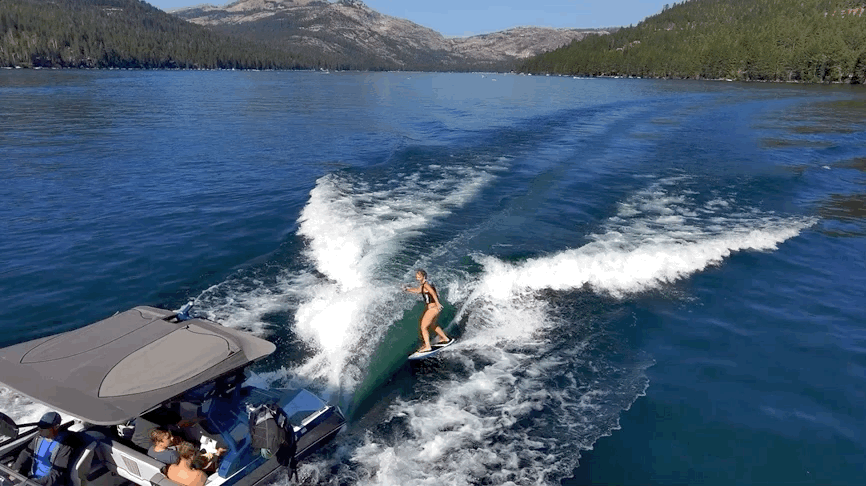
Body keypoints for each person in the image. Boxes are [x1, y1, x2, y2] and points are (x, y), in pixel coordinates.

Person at [12, 412, 72, 486]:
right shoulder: (39, 437)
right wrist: (15, 470)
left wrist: (33, 483)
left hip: (46, 483)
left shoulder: (65, 446)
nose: (40, 431)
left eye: (44, 429)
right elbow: (26, 453)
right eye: (39, 428)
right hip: (31, 477)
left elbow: (56, 474)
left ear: (56, 427)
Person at [404, 269, 452, 353]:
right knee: (433, 325)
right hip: (434, 308)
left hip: (433, 308)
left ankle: (428, 346)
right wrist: (407, 290)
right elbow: (418, 290)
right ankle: (445, 338)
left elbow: (433, 293)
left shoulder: (426, 284)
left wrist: (438, 303)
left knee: (423, 327)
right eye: (417, 276)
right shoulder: (423, 285)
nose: (417, 278)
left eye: (419, 276)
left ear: (424, 276)